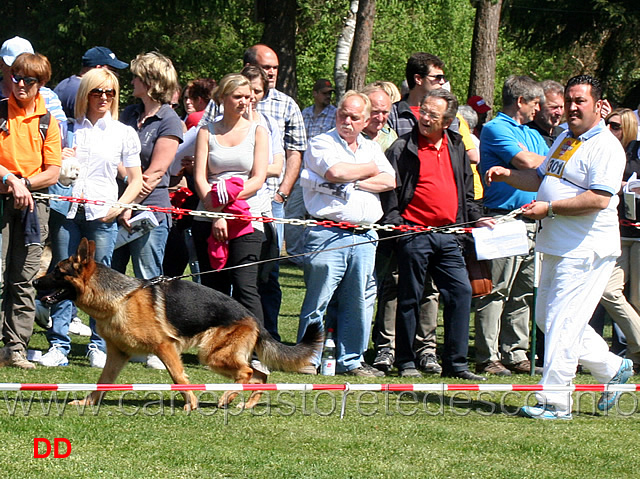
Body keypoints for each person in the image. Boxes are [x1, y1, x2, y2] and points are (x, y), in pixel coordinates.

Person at [486, 75, 633, 420]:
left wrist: (548, 209)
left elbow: (598, 198)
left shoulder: (607, 147)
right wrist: (507, 174)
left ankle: (554, 401)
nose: (572, 108)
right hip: (554, 243)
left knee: (563, 322)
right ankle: (612, 368)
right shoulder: (566, 137)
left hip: (586, 248)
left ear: (599, 106)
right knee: (547, 318)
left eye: (580, 101)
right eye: (568, 101)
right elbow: (541, 180)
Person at [381, 89, 489, 380]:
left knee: (461, 292)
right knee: (410, 298)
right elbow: (389, 191)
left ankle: (456, 364)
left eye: (432, 115)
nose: (424, 118)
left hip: (450, 235)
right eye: (423, 111)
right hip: (413, 234)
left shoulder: (456, 145)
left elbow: (467, 189)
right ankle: (405, 362)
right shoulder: (402, 147)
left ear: (448, 121)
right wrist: (398, 225)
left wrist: (474, 219)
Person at [40, 68, 143, 368]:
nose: (104, 98)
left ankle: (99, 344)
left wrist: (122, 205)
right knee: (62, 276)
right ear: (86, 94)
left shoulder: (124, 133)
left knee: (101, 281)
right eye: (97, 92)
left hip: (102, 215)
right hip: (67, 212)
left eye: (110, 92)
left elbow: (135, 180)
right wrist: (61, 159)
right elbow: (50, 169)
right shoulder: (68, 129)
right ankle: (58, 344)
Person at [298, 91, 395, 377]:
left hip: (365, 236)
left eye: (354, 117)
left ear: (366, 121)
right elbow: (336, 172)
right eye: (343, 114)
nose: (347, 121)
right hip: (328, 232)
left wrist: (356, 181)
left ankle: (351, 361)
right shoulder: (321, 142)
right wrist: (367, 171)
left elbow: (389, 180)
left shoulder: (371, 146)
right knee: (318, 299)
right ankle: (307, 358)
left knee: (359, 302)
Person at [112, 52, 183, 368]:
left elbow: (155, 174)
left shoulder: (170, 120)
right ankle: (113, 342)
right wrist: (123, 199)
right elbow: (114, 156)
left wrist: (128, 202)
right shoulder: (127, 113)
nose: (131, 81)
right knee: (110, 277)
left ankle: (157, 346)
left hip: (151, 212)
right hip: (119, 207)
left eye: (137, 76)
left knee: (149, 283)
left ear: (151, 82)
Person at [474, 75, 548, 377]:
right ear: (520, 101)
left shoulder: (531, 133)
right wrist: (541, 161)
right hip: (503, 218)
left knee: (524, 291)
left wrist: (543, 160)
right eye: (535, 102)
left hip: (533, 219)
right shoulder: (495, 128)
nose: (539, 108)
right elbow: (530, 163)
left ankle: (515, 352)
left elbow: (548, 163)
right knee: (496, 290)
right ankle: (487, 355)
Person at [191, 73, 269, 326]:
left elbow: (257, 179)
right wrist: (216, 214)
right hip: (208, 213)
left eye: (248, 97)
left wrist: (224, 207)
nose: (244, 102)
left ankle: (258, 347)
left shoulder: (259, 132)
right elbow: (200, 178)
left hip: (246, 217)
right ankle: (217, 344)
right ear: (222, 98)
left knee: (245, 285)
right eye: (238, 96)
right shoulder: (206, 132)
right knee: (214, 286)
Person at [0, 52, 61, 369]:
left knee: (24, 279)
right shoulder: (0, 112)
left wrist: (23, 183)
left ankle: (15, 349)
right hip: (3, 198)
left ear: (41, 84)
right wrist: (12, 181)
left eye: (29, 80)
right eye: (16, 77)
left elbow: (53, 171)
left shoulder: (48, 121)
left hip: (34, 206)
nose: (21, 84)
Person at [241, 64, 285, 340]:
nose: (252, 96)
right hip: (226, 208)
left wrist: (249, 169)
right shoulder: (219, 119)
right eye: (248, 90)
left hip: (261, 206)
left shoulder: (266, 125)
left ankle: (269, 335)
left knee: (265, 277)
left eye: (257, 91)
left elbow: (276, 165)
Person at [595, 108, 640, 371]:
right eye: (607, 125)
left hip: (637, 235)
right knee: (609, 291)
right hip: (615, 233)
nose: (609, 130)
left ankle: (635, 357)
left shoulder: (635, 153)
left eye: (615, 126)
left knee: (636, 299)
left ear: (629, 128)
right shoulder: (604, 152)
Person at [0, 36, 66, 123]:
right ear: (1, 65)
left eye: (27, 67)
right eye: (15, 67)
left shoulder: (48, 96)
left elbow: (61, 129)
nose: (21, 83)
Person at [54, 46, 129, 119]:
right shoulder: (84, 91)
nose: (116, 75)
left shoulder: (64, 84)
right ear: (98, 68)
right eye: (113, 70)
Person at [526, 80, 565, 147]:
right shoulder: (526, 134)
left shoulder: (564, 135)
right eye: (554, 107)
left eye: (561, 107)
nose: (559, 113)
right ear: (538, 106)